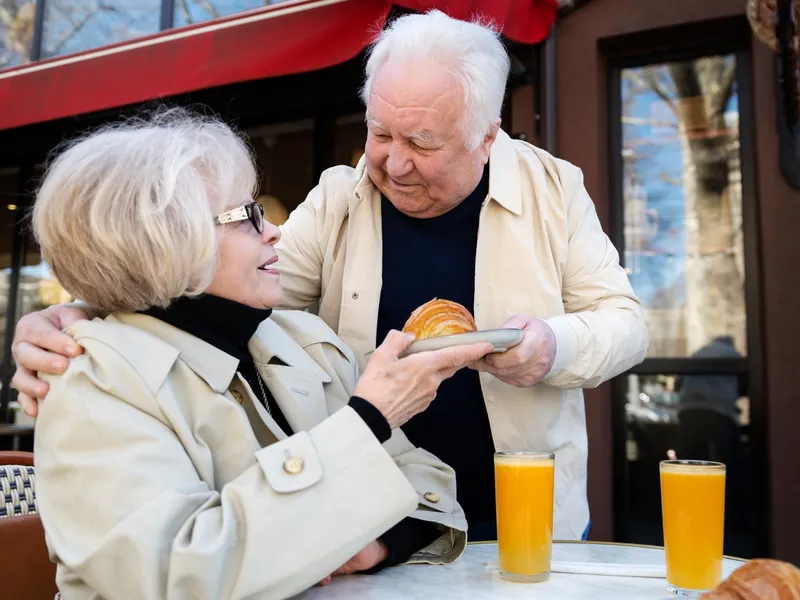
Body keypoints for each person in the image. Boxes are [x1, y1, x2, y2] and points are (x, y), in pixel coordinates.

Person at [12, 10, 648, 542]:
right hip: (359, 510)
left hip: (523, 510)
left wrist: (550, 349)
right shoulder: (340, 197)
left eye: (423, 143)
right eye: (379, 132)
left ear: (487, 135)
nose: (393, 164)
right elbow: (216, 282)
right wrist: (91, 312)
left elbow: (626, 324)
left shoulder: (552, 188)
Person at [27, 110, 493, 600]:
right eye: (246, 217)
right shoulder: (96, 385)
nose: (274, 231)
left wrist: (380, 542)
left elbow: (427, 484)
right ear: (167, 243)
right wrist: (368, 419)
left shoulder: (303, 342)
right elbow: (176, 577)